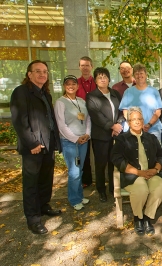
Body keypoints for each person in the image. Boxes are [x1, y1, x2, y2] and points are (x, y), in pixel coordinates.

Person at [10, 60, 62, 234]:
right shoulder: (21, 92)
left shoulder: (45, 93)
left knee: (46, 178)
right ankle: (33, 218)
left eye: (45, 71)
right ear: (29, 74)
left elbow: (50, 120)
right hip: (33, 146)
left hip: (47, 144)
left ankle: (43, 206)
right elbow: (19, 121)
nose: (42, 74)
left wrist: (55, 141)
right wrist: (32, 142)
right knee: (31, 183)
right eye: (38, 71)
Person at [111, 107, 162, 236]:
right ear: (128, 122)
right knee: (141, 190)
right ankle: (138, 218)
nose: (136, 122)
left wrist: (156, 169)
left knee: (160, 188)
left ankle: (147, 217)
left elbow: (160, 156)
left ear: (143, 121)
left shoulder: (151, 138)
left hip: (151, 173)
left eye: (139, 119)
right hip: (132, 175)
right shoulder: (122, 139)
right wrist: (138, 172)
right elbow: (116, 159)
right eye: (133, 119)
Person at [86, 67, 125, 202]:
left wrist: (118, 124)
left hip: (116, 134)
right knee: (101, 164)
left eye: (105, 77)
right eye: (99, 77)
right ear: (95, 80)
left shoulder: (115, 93)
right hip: (101, 136)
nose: (103, 79)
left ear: (109, 79)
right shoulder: (91, 96)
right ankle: (101, 190)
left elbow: (121, 110)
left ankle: (113, 189)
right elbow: (96, 116)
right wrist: (111, 126)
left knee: (113, 163)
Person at [54, 75, 91, 210]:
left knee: (80, 170)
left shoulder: (81, 101)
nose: (71, 86)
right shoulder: (60, 102)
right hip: (70, 142)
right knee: (74, 172)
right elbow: (61, 125)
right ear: (64, 86)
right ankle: (74, 200)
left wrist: (87, 134)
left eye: (73, 83)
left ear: (77, 86)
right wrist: (76, 138)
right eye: (68, 84)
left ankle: (79, 196)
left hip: (83, 141)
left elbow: (87, 120)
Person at [119, 63, 162, 141]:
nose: (139, 76)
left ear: (146, 75)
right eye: (136, 73)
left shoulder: (154, 91)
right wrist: (133, 125)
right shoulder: (128, 92)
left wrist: (149, 124)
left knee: (153, 153)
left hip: (153, 130)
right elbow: (125, 111)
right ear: (134, 76)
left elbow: (158, 112)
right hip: (133, 131)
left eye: (141, 73)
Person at [76, 56, 96, 188]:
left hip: (97, 122)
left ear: (91, 67)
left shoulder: (98, 83)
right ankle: (85, 180)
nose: (85, 68)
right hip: (81, 123)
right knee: (84, 153)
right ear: (79, 67)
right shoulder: (75, 83)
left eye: (87, 65)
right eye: (82, 65)